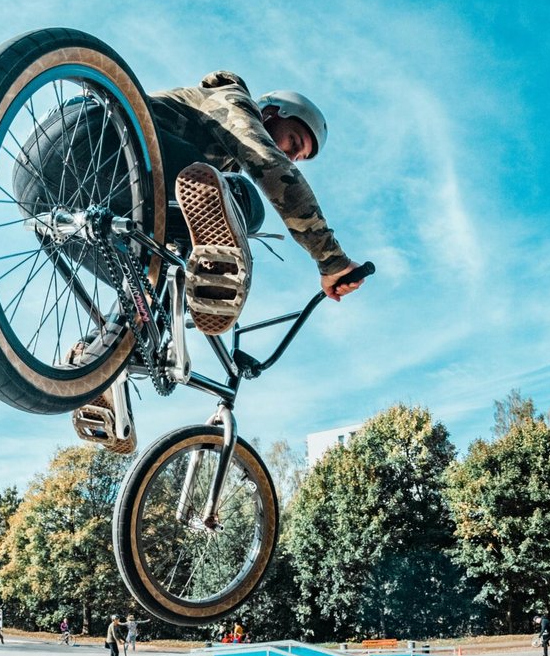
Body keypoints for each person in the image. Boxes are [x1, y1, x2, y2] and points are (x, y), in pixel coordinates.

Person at [64, 72, 366, 451]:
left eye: (298, 157)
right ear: (272, 112)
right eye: (292, 142)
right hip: (98, 136)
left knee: (147, 282)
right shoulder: (231, 98)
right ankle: (220, 260)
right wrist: (331, 261)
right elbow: (270, 165)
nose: (291, 157)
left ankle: (97, 362)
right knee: (244, 198)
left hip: (49, 186)